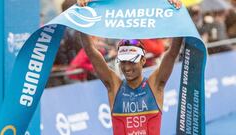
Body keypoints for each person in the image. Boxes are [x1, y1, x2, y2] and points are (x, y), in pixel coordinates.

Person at [76, 0, 182, 134]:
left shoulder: (155, 84)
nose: (126, 68)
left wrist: (178, 14)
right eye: (123, 62)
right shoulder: (114, 86)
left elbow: (172, 53)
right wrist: (81, 15)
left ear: (143, 60)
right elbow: (91, 52)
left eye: (132, 62)